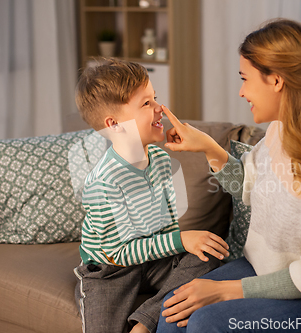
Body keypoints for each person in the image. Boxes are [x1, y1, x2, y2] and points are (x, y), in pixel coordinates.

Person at [157, 19, 301, 332]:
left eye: (245, 79)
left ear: (276, 80)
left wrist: (226, 291)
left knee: (206, 323)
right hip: (266, 272)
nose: (241, 92)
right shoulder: (280, 131)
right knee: (173, 311)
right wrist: (209, 148)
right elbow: (249, 187)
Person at [73, 58, 229, 333]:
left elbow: (167, 223)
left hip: (153, 260)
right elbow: (115, 253)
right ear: (115, 124)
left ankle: (146, 320)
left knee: (207, 256)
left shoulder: (159, 158)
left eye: (155, 98)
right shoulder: (103, 183)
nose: (161, 109)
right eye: (147, 103)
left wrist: (181, 244)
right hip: (111, 268)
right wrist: (180, 239)